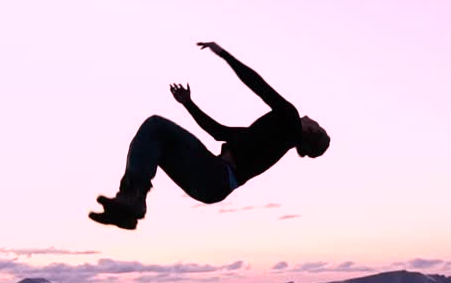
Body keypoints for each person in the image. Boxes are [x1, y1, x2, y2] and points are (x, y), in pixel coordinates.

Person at [90, 42, 330, 230]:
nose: (310, 117)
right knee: (156, 141)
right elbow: (218, 132)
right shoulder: (265, 141)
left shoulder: (289, 117)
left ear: (310, 131)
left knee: (154, 126)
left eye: (316, 123)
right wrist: (188, 104)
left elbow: (257, 83)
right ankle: (129, 207)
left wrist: (223, 54)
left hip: (214, 175)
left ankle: (133, 197)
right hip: (210, 189)